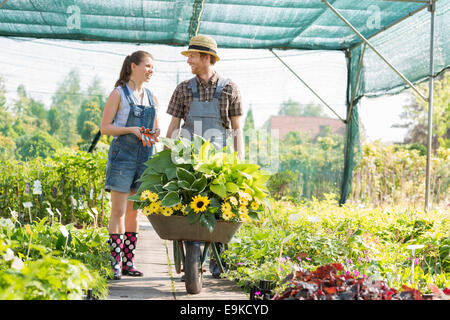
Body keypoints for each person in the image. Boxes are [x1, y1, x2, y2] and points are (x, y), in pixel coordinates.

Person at [165, 35, 244, 278]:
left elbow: (237, 128)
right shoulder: (183, 89)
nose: (188, 60)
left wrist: (238, 161)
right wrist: (165, 159)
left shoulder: (230, 88)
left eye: (192, 56)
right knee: (188, 206)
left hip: (218, 163)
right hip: (188, 162)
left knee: (222, 210)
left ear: (206, 57)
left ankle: (219, 259)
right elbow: (174, 127)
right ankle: (193, 254)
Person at [100, 50, 160, 280]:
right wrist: (131, 129)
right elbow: (105, 128)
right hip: (123, 156)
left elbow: (156, 127)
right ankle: (115, 262)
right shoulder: (118, 93)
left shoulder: (152, 96)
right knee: (118, 210)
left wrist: (155, 133)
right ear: (133, 66)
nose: (150, 70)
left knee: (134, 212)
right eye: (147, 65)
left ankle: (128, 262)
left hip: (144, 157)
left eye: (153, 67)